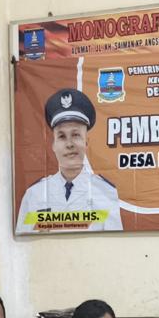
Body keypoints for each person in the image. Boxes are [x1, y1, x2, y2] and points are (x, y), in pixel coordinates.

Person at [16, 88, 121, 232]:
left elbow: (114, 243)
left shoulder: (105, 192)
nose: (69, 144)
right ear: (53, 145)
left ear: (86, 142)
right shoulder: (35, 194)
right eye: (62, 136)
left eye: (76, 135)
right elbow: (23, 243)